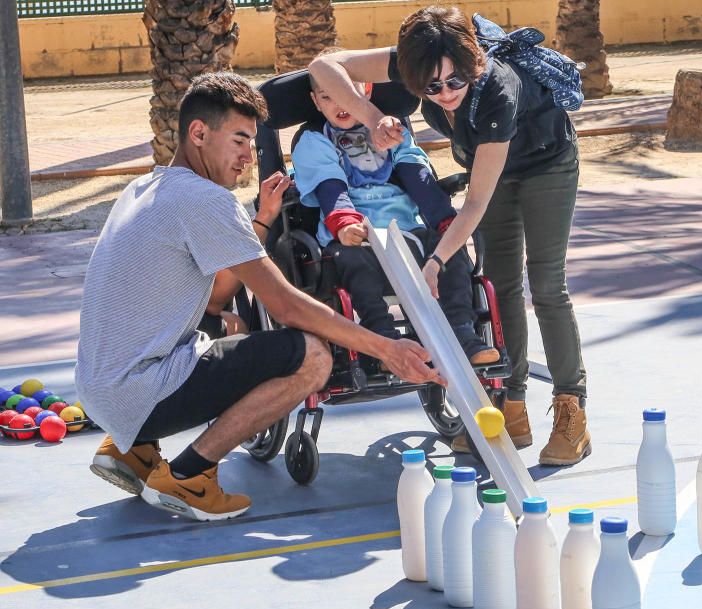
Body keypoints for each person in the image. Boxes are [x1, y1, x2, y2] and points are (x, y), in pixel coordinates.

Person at [77, 72, 442, 522]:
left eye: (252, 143)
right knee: (312, 357)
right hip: (138, 394)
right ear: (198, 133)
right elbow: (285, 304)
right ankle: (189, 476)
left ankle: (132, 450)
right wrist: (385, 347)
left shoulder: (144, 187)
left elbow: (215, 298)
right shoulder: (204, 199)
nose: (248, 156)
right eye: (239, 140)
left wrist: (265, 220)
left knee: (225, 322)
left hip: (101, 392)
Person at [309, 6, 590, 465]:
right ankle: (510, 405)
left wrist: (436, 261)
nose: (442, 94)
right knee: (501, 284)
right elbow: (323, 67)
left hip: (545, 164)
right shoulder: (419, 60)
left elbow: (475, 203)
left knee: (544, 284)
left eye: (454, 83)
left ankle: (570, 408)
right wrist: (371, 114)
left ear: (474, 63)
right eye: (429, 87)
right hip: (488, 165)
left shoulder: (497, 88)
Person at [291, 71, 498, 365]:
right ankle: (381, 337)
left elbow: (418, 176)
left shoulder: (391, 130)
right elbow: (329, 185)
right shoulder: (314, 140)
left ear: (367, 89)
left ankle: (462, 333)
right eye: (327, 96)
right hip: (357, 235)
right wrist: (344, 223)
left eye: (348, 93)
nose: (340, 104)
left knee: (449, 248)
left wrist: (444, 220)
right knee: (351, 259)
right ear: (315, 101)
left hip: (407, 230)